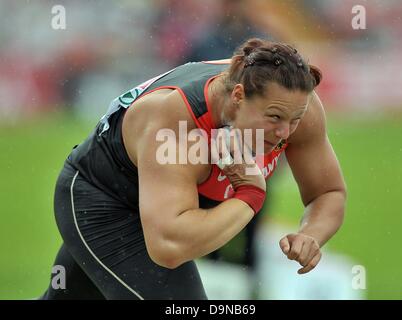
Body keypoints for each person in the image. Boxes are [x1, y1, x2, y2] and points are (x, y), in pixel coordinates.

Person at [41, 38, 347, 300]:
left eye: (294, 119)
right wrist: (251, 195)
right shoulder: (177, 120)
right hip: (108, 201)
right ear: (238, 96)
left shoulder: (291, 103)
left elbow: (328, 192)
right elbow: (169, 247)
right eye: (274, 118)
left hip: (170, 206)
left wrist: (311, 235)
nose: (285, 132)